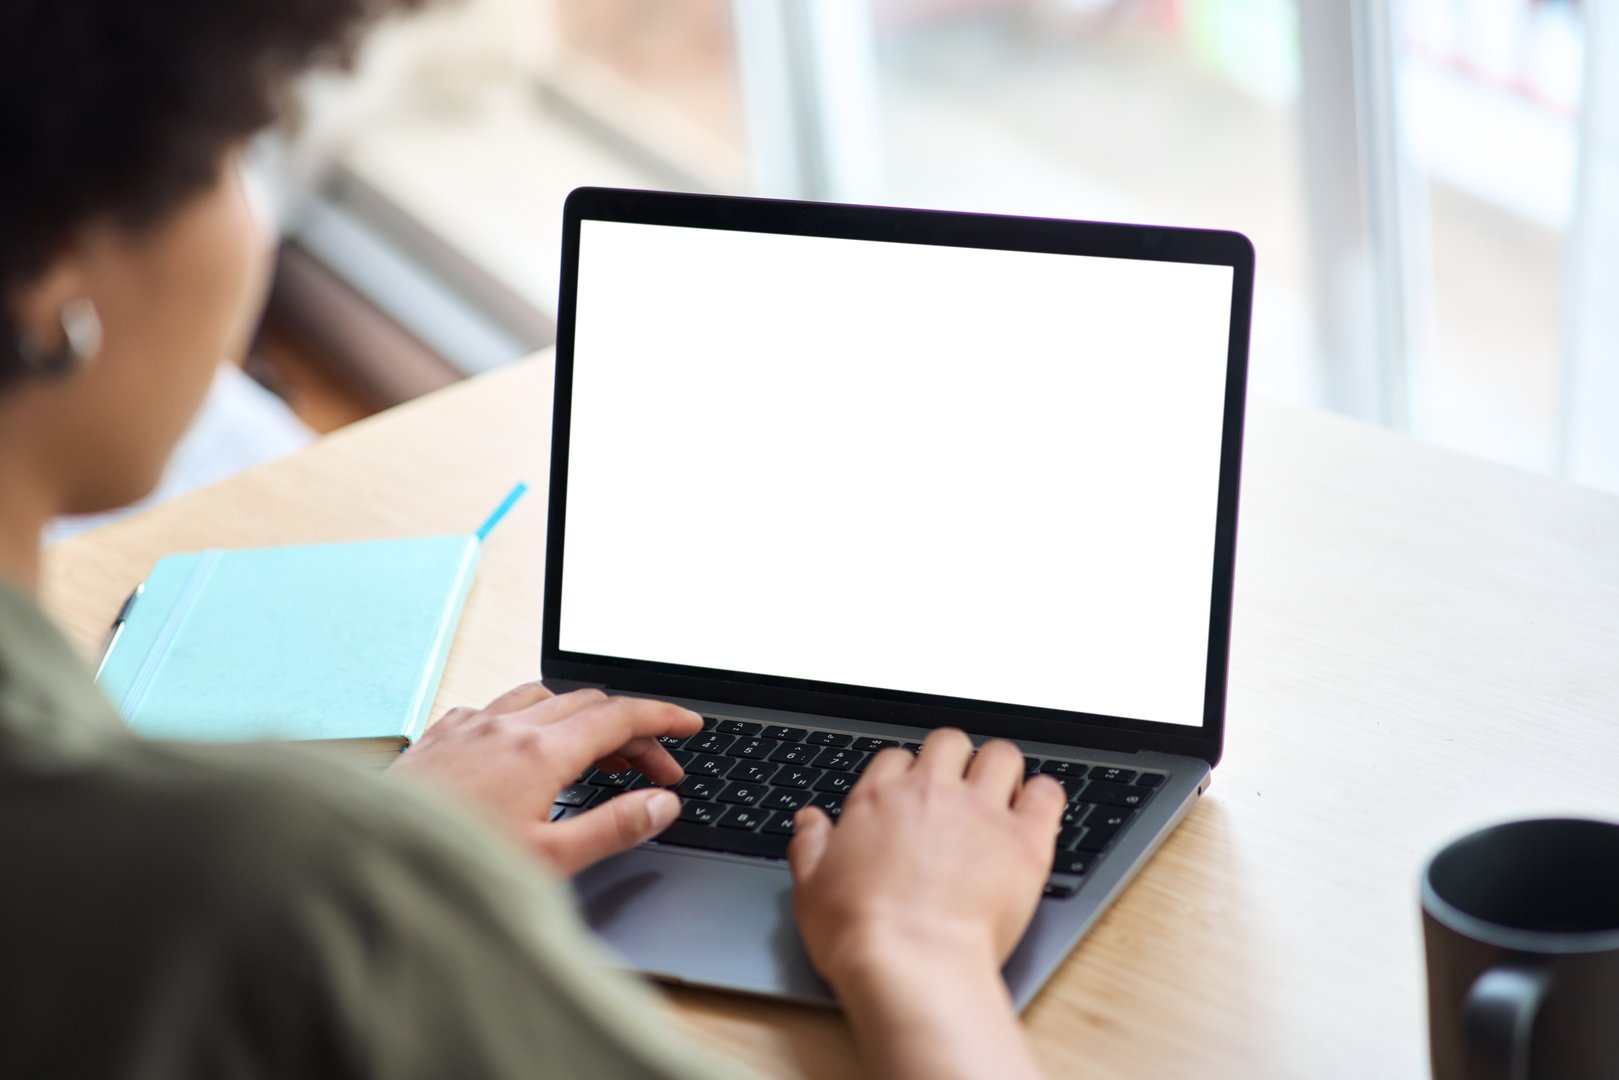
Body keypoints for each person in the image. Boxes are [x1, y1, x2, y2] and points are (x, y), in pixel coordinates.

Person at [0, 3, 1068, 1078]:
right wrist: (918, 947)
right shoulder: (269, 893)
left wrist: (389, 838)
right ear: (54, 287)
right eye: (232, 155)